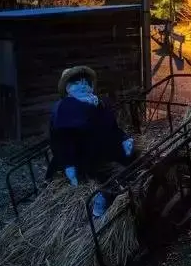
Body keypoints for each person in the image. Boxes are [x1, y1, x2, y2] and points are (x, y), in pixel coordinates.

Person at [46, 66, 135, 217]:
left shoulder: (98, 103)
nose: (82, 85)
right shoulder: (65, 109)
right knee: (119, 174)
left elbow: (111, 126)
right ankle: (103, 198)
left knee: (135, 164)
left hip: (105, 151)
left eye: (85, 82)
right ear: (68, 88)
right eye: (76, 82)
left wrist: (124, 138)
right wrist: (69, 165)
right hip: (84, 157)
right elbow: (61, 140)